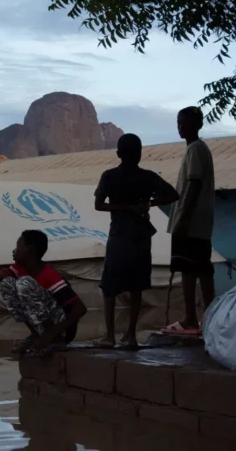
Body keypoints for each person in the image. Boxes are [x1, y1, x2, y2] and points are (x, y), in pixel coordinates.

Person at [94, 133, 179, 349]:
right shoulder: (148, 177)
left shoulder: (110, 176)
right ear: (140, 154)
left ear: (119, 154)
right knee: (136, 286)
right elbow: (172, 195)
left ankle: (110, 336)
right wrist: (148, 203)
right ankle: (130, 336)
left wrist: (123, 207)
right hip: (140, 235)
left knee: (110, 286)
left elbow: (99, 205)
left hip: (120, 234)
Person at [163, 106, 216, 335]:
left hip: (190, 223)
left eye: (184, 123)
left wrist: (183, 218)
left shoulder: (195, 149)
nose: (180, 127)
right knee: (203, 269)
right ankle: (212, 318)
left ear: (198, 125)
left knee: (188, 269)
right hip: (199, 224)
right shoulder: (198, 149)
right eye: (178, 122)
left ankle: (190, 319)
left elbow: (193, 185)